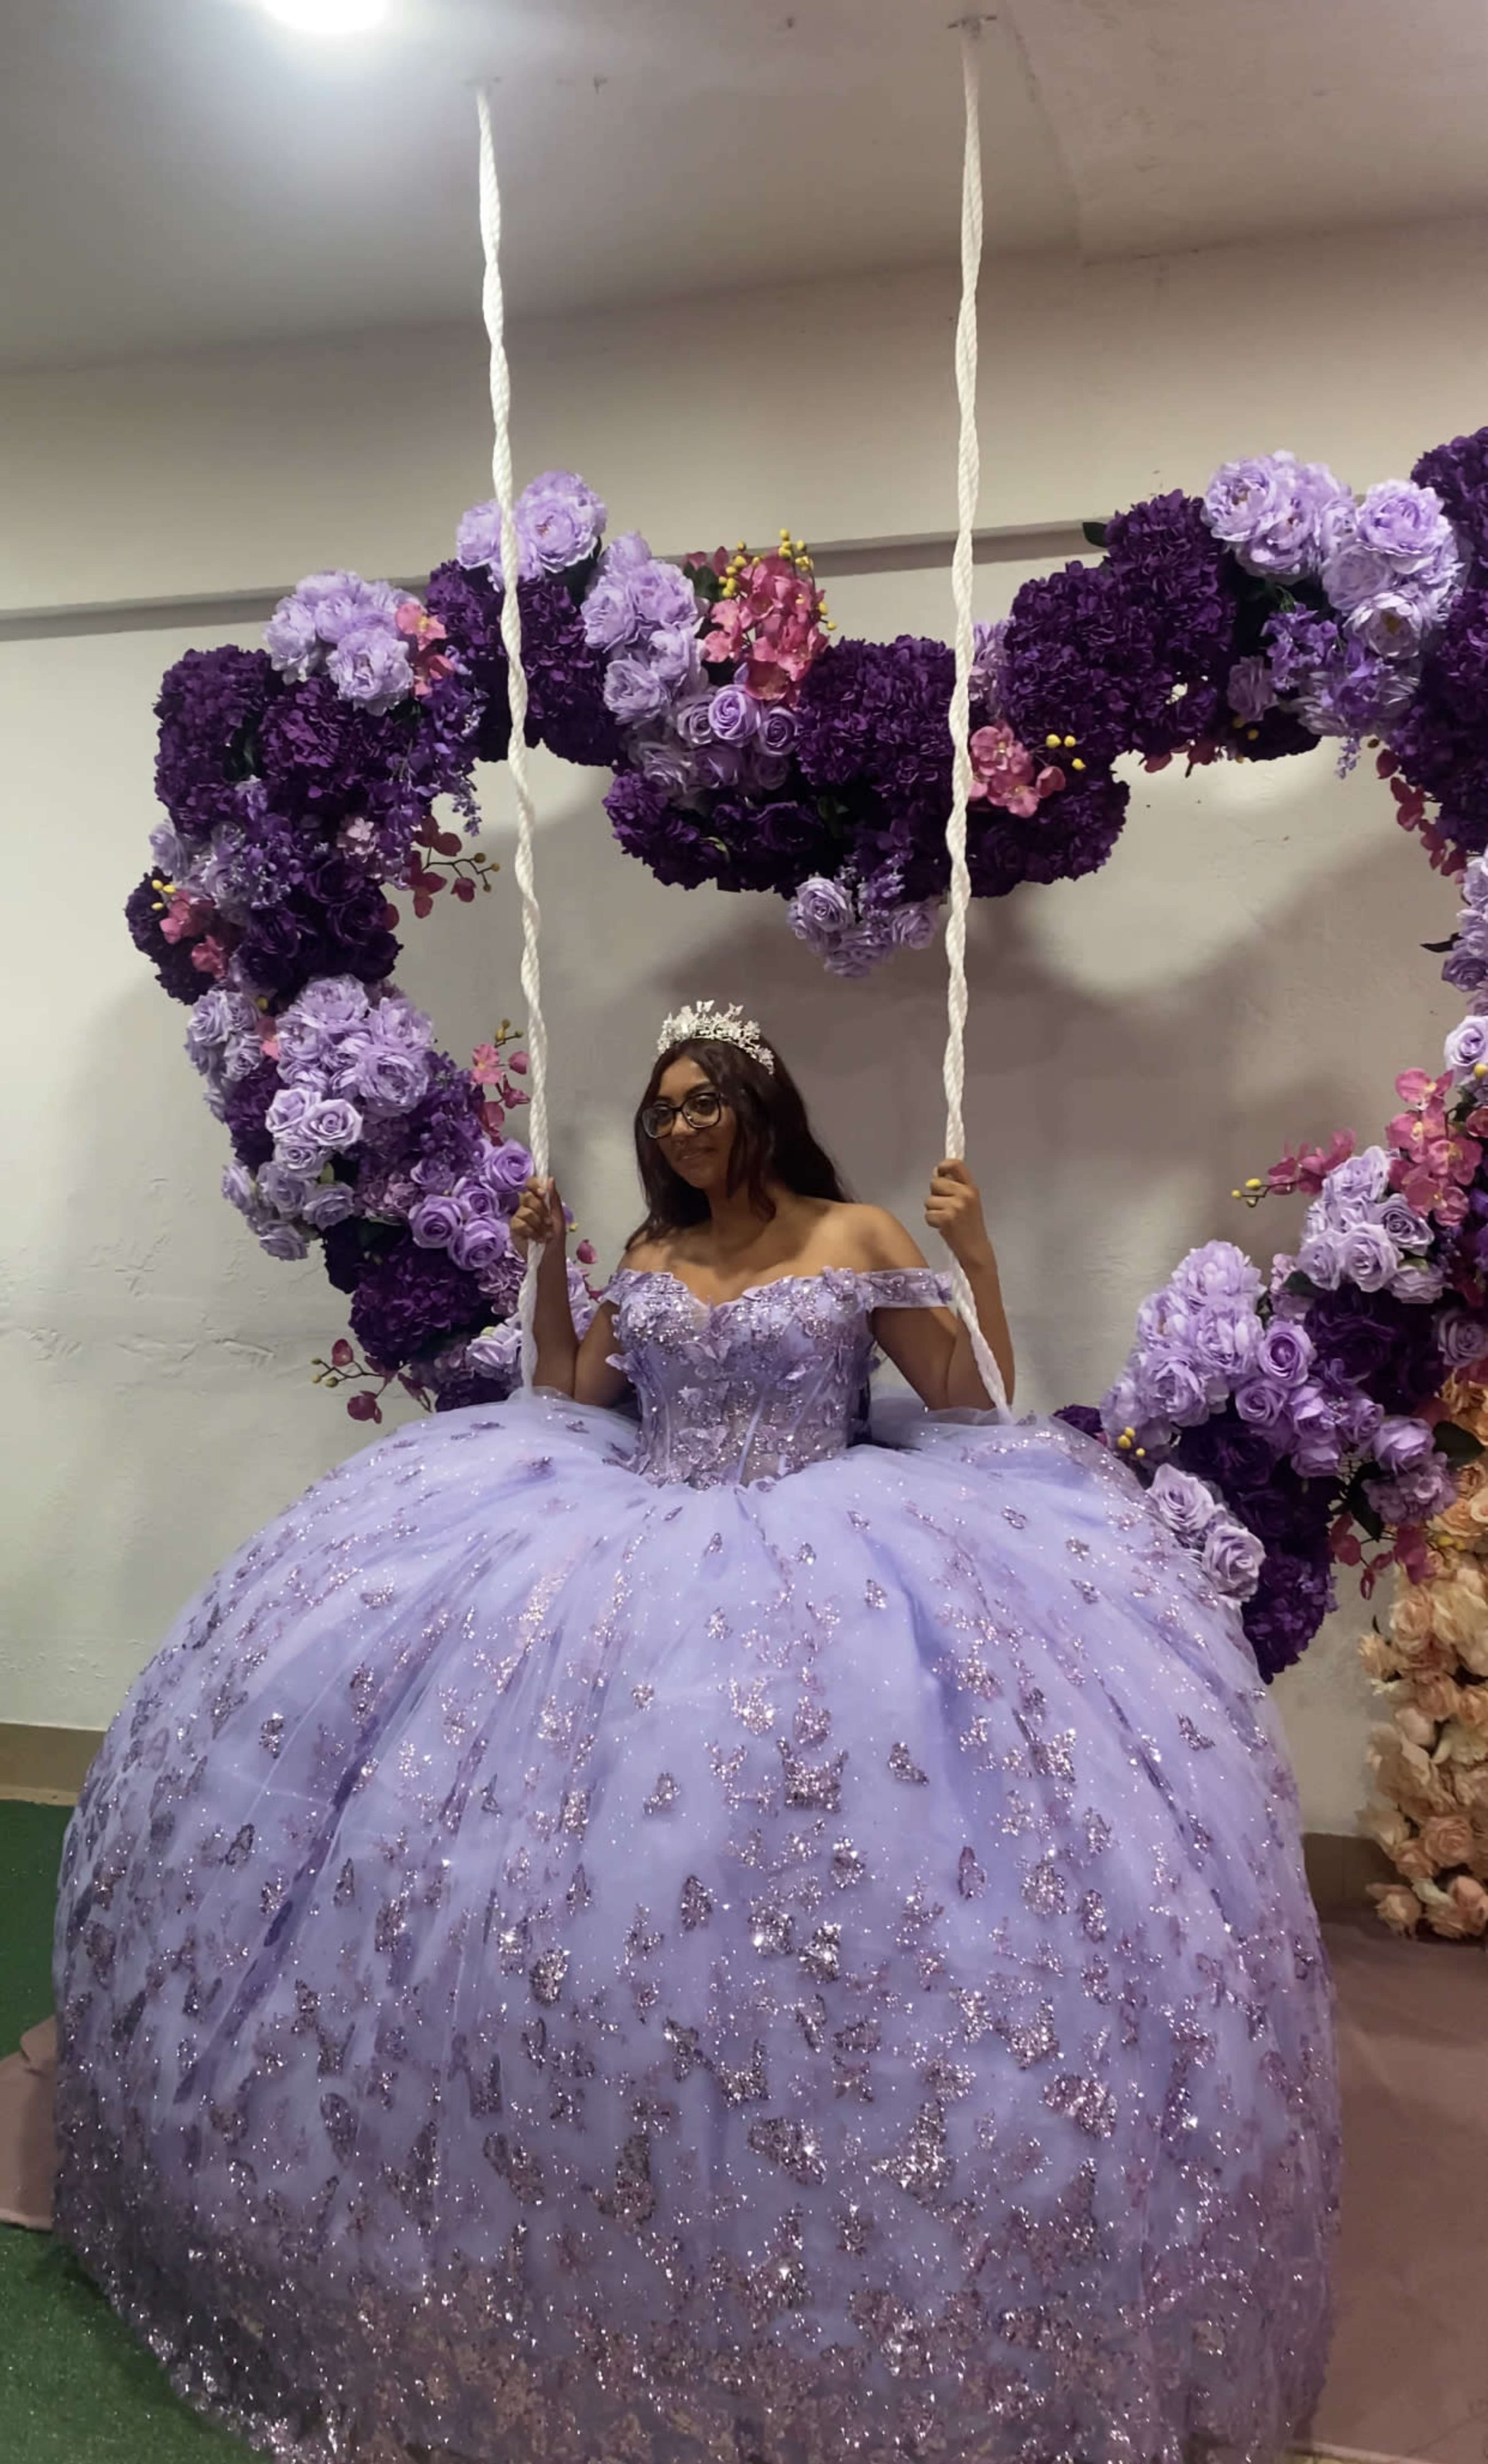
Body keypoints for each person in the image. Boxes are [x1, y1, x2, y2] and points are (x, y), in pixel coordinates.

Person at [53, 1001, 1336, 2464]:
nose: (681, 1128)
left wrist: (973, 1251)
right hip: (635, 1538)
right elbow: (570, 1396)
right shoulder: (652, 1255)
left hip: (834, 1560)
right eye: (662, 1110)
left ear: (758, 1103)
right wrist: (548, 1268)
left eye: (703, 1100)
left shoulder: (854, 1233)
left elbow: (971, 1398)